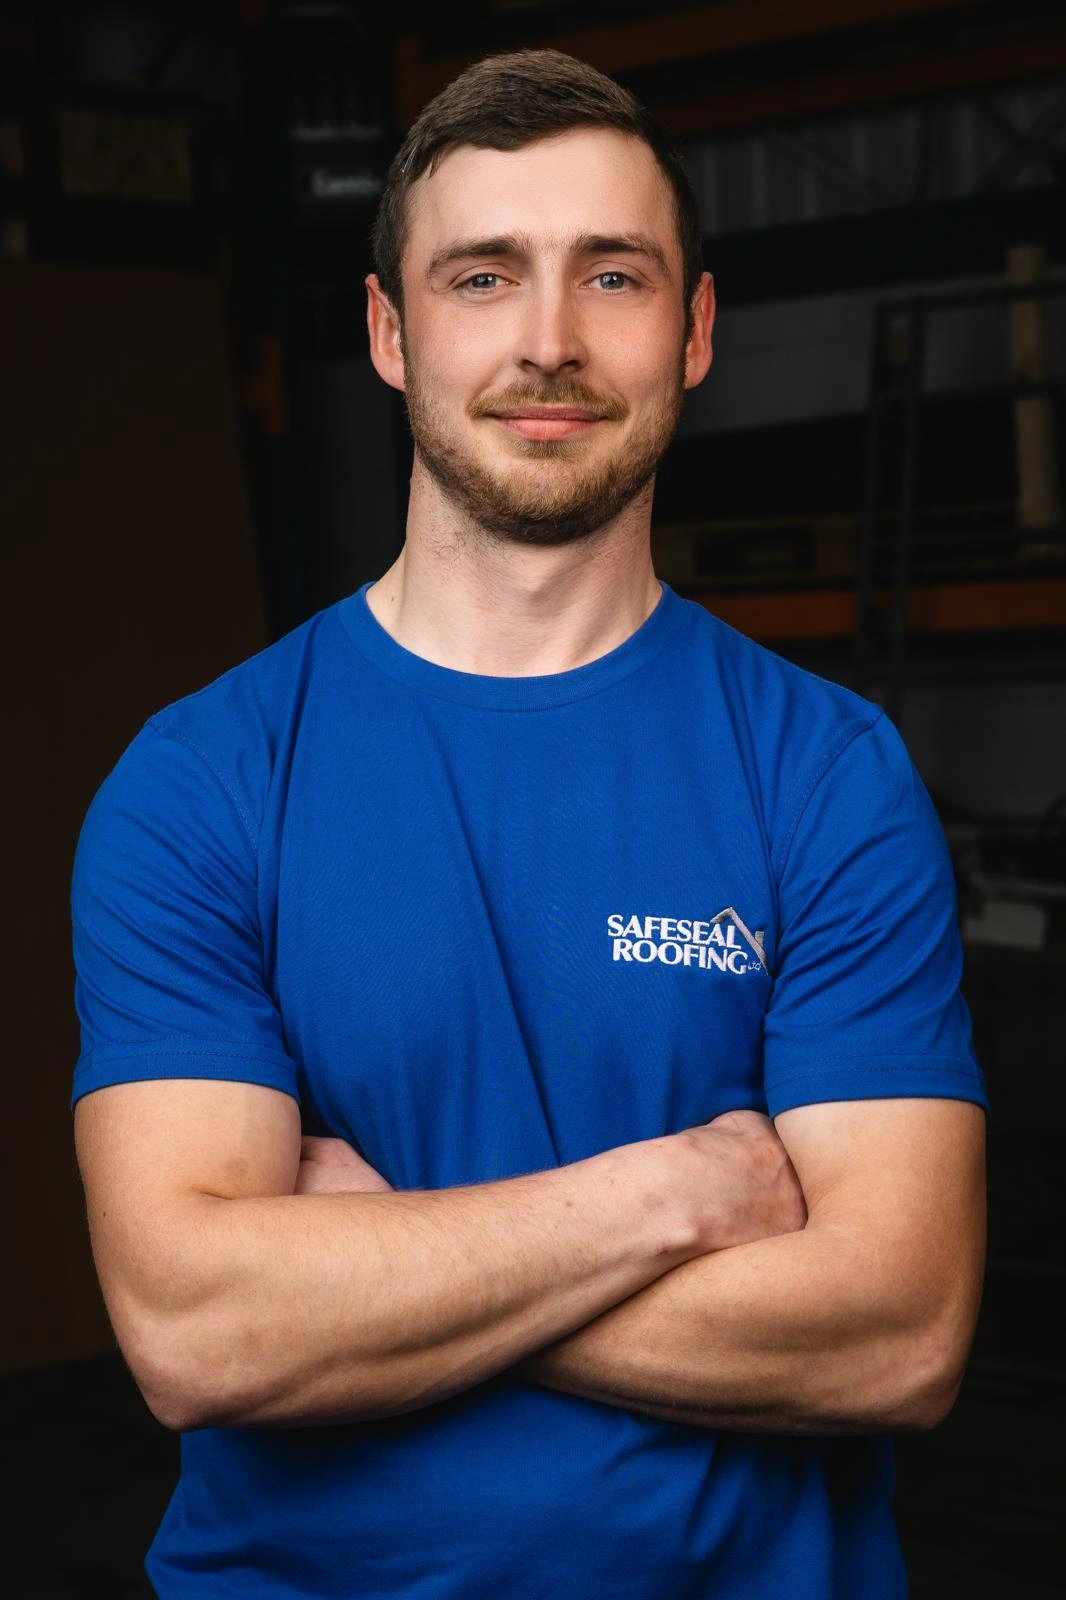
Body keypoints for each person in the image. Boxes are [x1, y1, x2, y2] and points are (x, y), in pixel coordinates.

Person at [71, 48, 987, 1600]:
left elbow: (894, 1334)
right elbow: (196, 1331)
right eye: (482, 276)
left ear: (692, 332)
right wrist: (667, 1198)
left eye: (612, 276)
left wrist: (383, 1269)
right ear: (389, 332)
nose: (547, 343)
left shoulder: (827, 774)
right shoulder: (202, 779)